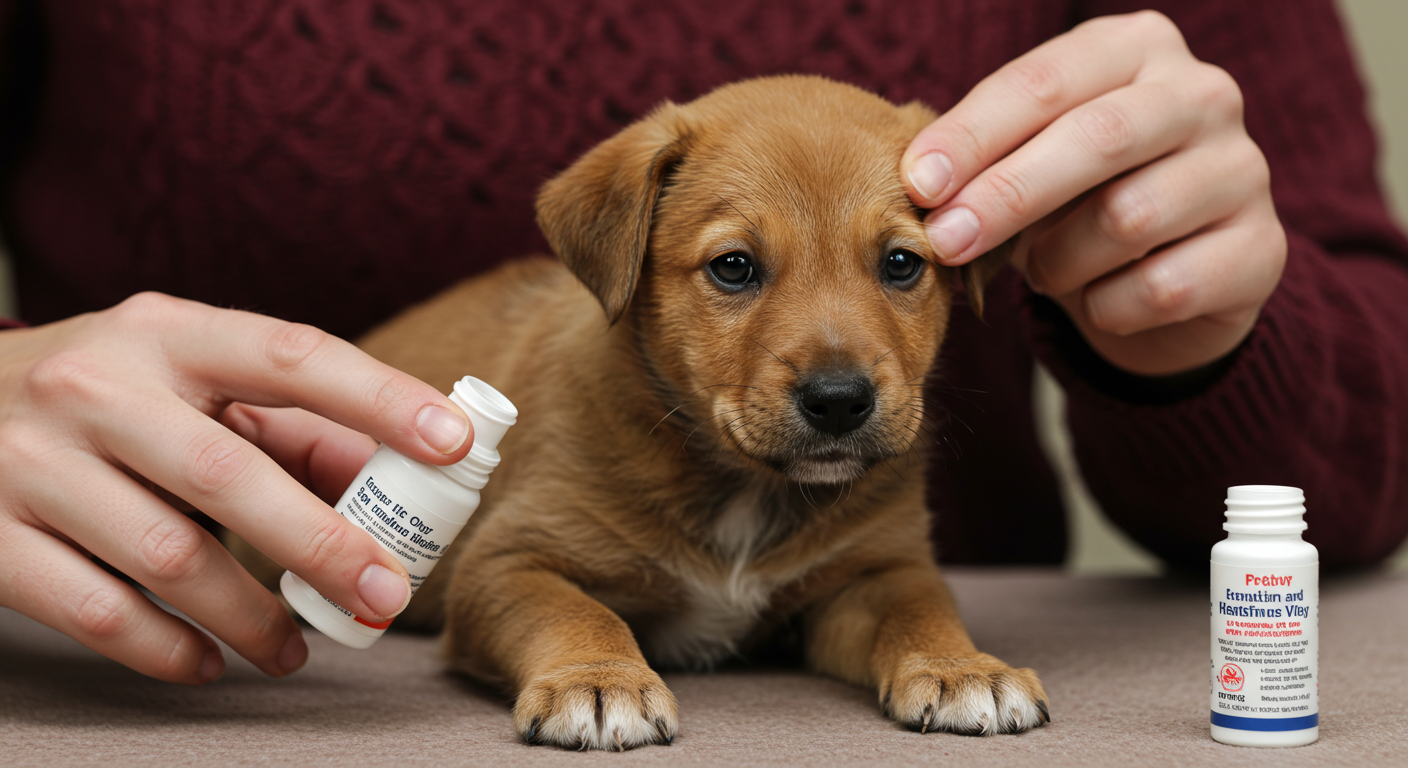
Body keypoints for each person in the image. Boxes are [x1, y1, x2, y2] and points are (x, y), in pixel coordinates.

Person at [0, 0, 1403, 686]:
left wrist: (1212, 327)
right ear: (624, 265)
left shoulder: (872, 455)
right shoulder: (595, 361)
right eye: (736, 270)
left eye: (902, 265)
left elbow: (868, 589)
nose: (841, 360)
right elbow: (510, 578)